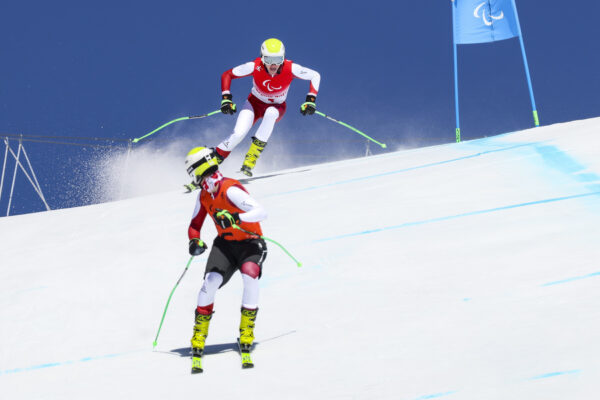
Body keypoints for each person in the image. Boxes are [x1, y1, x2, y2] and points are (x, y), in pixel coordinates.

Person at [184, 146, 268, 373]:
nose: (193, 177)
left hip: (250, 243)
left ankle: (246, 332)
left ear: (200, 168)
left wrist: (234, 216)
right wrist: (194, 241)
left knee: (250, 276)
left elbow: (261, 212)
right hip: (225, 245)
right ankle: (199, 335)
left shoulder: (229, 189)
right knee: (210, 282)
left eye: (192, 171)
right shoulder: (204, 194)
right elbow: (195, 224)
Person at [212, 37, 321, 177]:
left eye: (278, 59)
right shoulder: (254, 66)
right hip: (254, 104)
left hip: (277, 107)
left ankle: (252, 157)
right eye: (269, 60)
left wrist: (310, 100)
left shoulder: (291, 68)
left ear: (283, 57)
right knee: (238, 134)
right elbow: (227, 74)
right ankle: (212, 162)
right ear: (262, 58)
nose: (273, 65)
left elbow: (315, 75)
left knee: (270, 113)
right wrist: (226, 99)